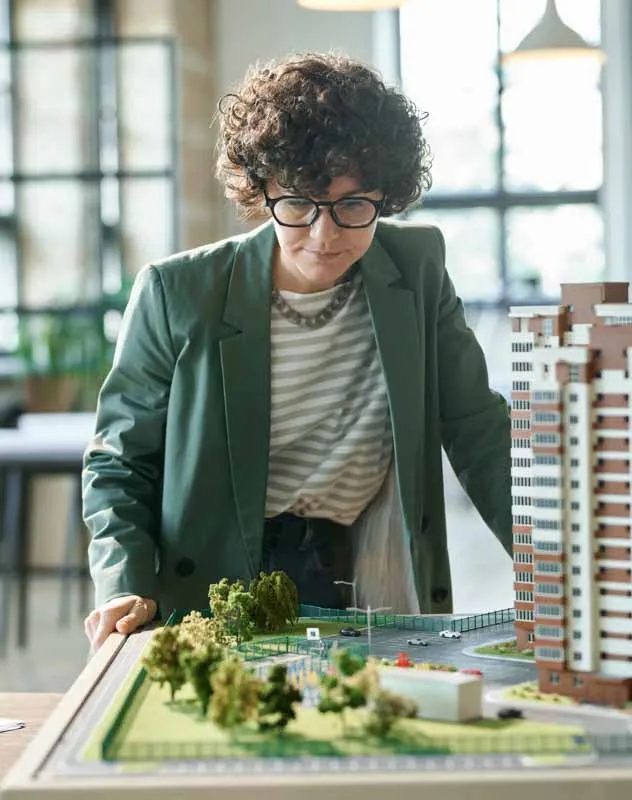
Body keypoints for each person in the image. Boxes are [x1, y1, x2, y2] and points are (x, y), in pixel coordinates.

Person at [83, 52, 511, 651]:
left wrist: (561, 567)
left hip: (365, 568)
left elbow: (477, 430)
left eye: (353, 206)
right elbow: (121, 461)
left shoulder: (417, 271)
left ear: (386, 196)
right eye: (300, 204)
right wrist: (122, 582)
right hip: (220, 569)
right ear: (264, 190)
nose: (325, 235)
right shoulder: (178, 291)